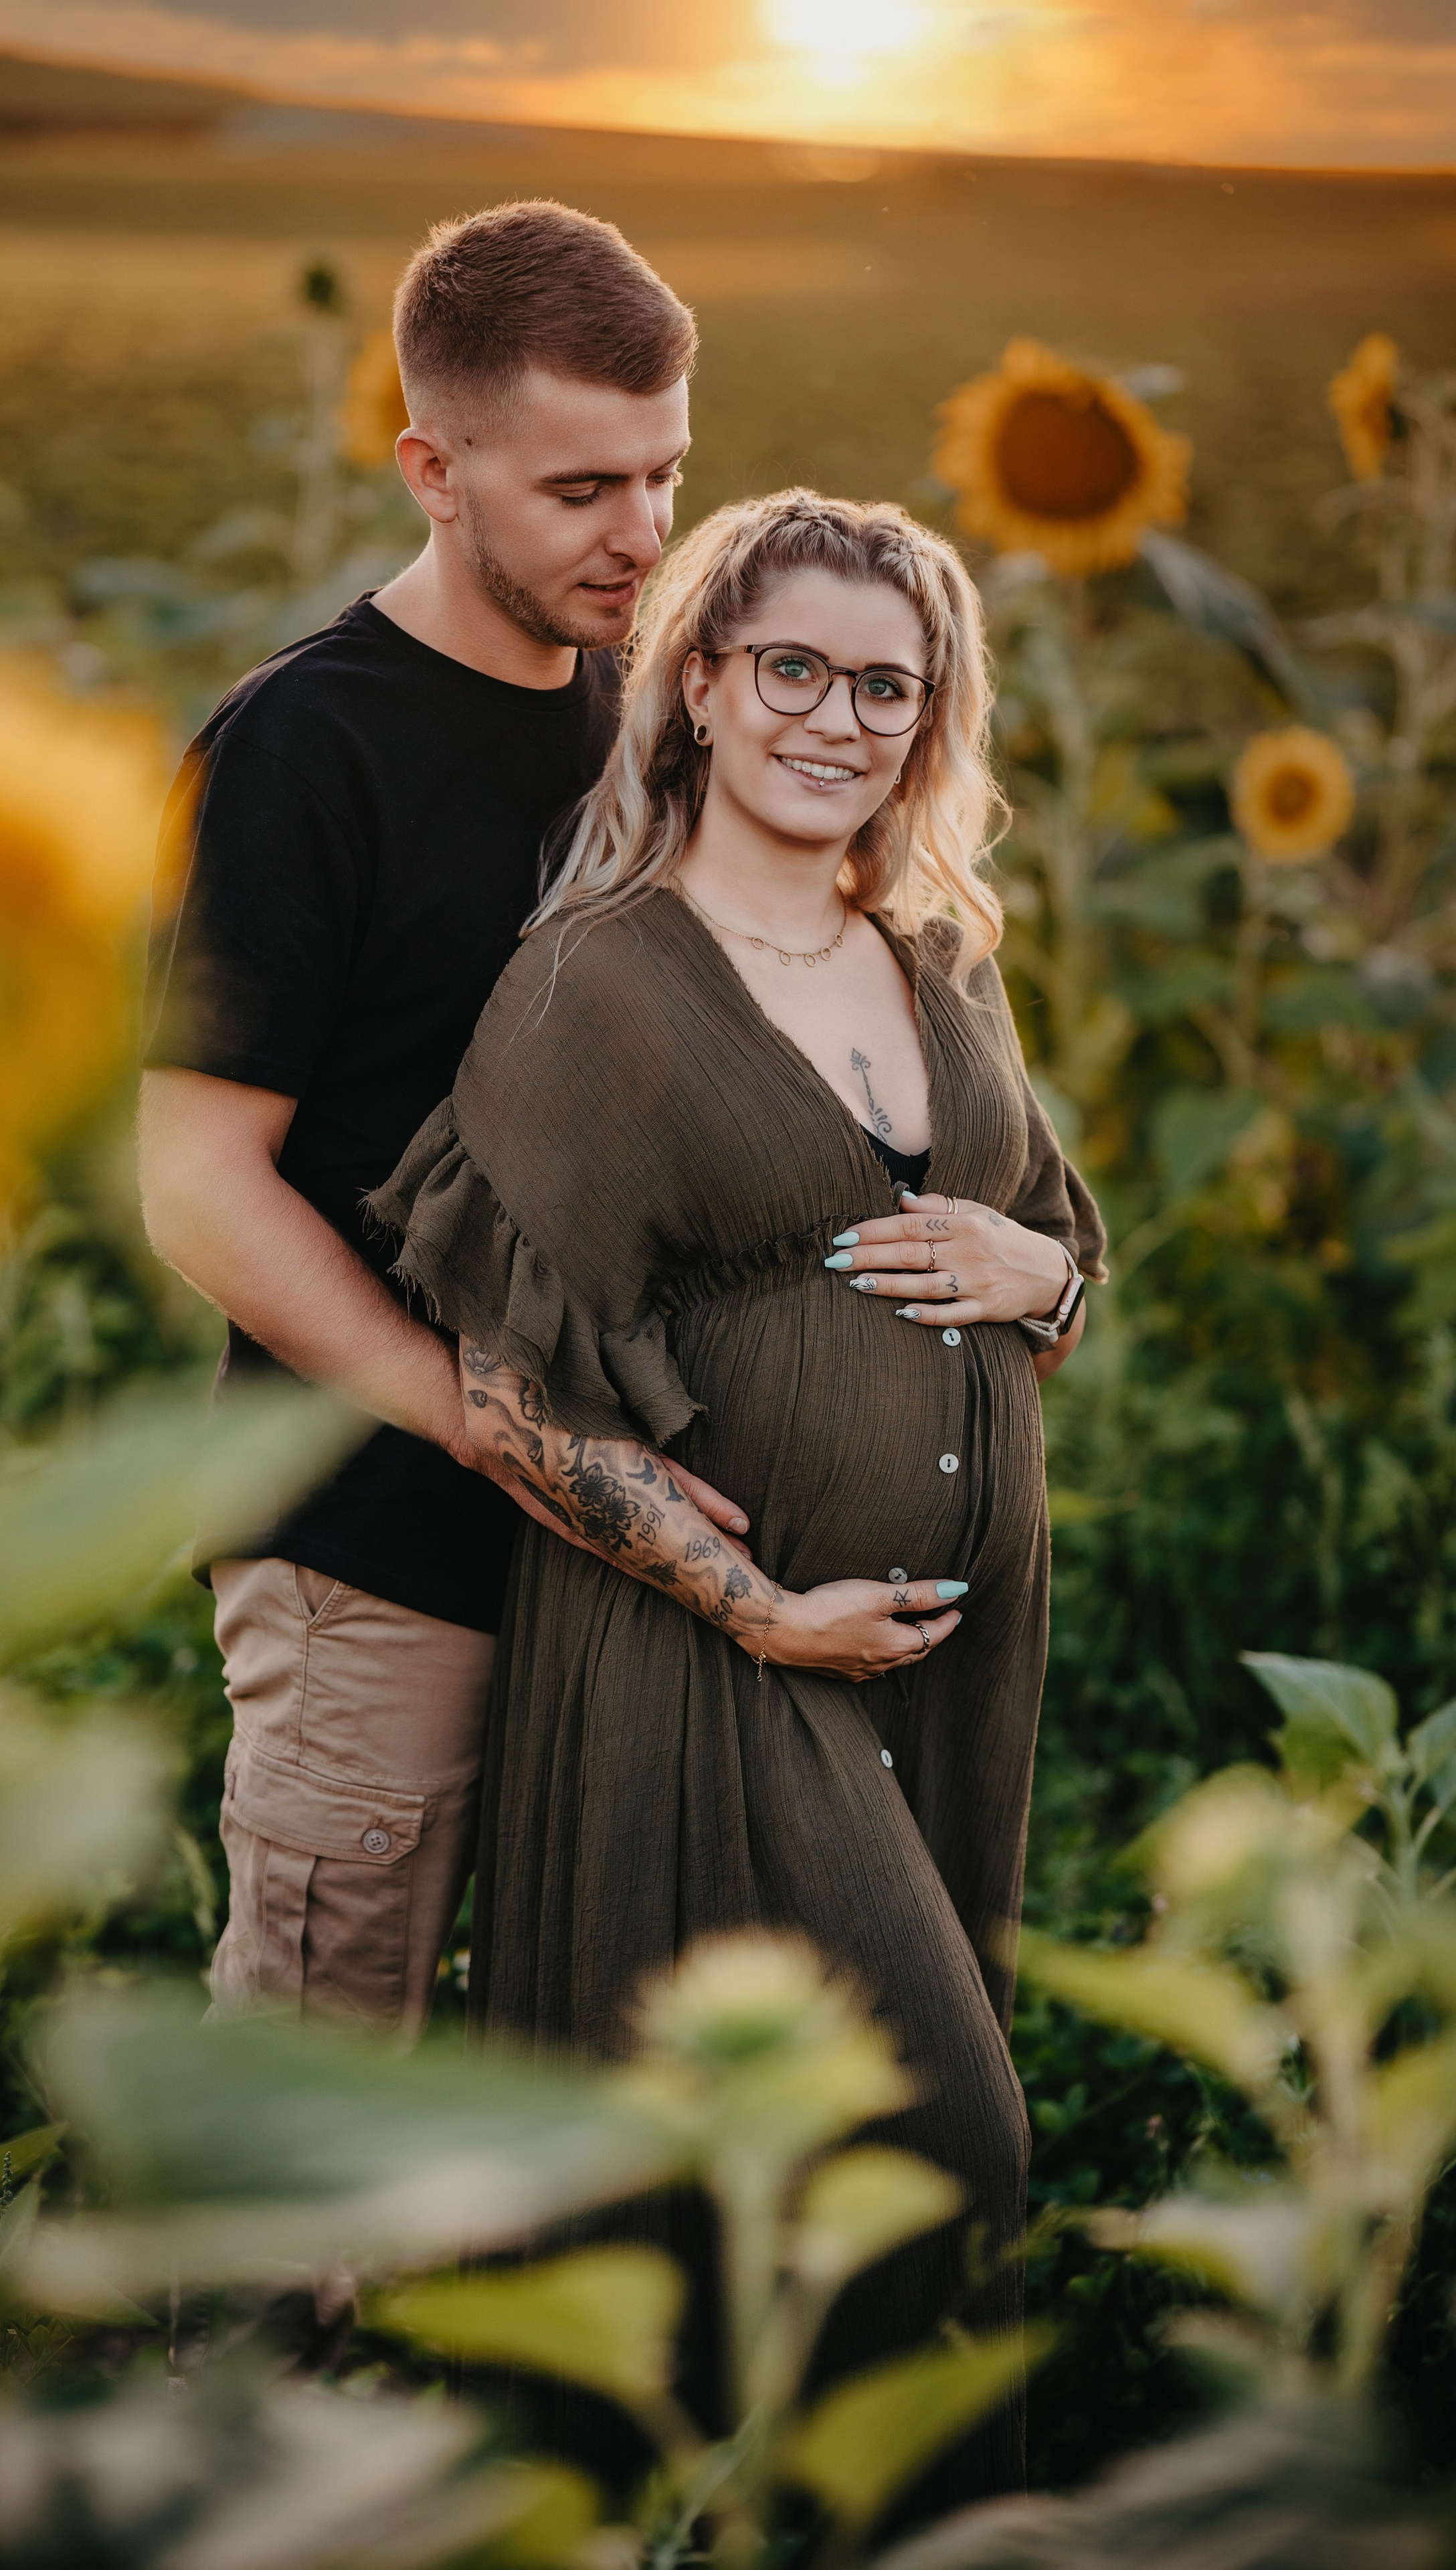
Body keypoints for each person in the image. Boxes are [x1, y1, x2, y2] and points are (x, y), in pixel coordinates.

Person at [369, 488, 1107, 2507]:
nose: (839, 716)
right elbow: (514, 1396)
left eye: (890, 684)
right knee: (942, 2137)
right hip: (725, 1646)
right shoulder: (597, 986)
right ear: (698, 682)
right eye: (793, 665)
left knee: (817, 2173)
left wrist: (1053, 1275)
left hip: (939, 1661)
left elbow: (1038, 1258)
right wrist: (754, 1603)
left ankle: (821, 2521)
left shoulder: (935, 959)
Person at [137, 199, 747, 2037]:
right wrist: (480, 1420)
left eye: (664, 476)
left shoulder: (644, 727)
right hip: (373, 1544)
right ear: (432, 466)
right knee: (311, 2122)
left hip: (616, 1569)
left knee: (549, 2119)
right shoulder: (302, 752)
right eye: (580, 491)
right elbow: (197, 1184)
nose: (642, 536)